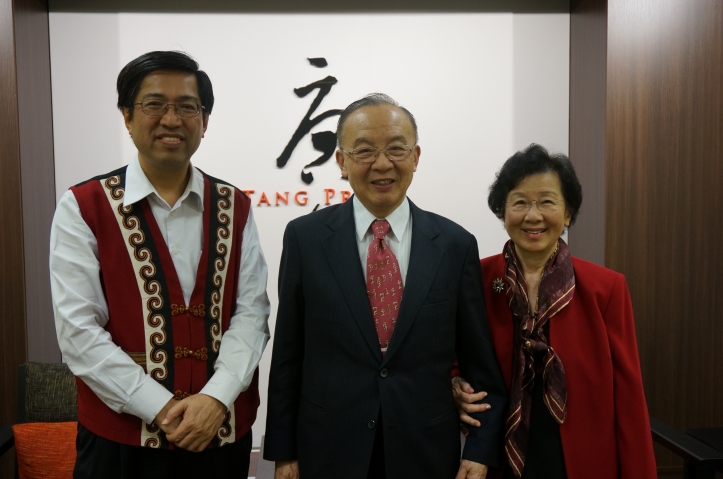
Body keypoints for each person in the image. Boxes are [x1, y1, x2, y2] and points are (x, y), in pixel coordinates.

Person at [49, 51, 270, 478]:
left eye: (187, 107)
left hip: (218, 436)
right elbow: (78, 332)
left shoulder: (234, 205)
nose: (172, 119)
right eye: (154, 104)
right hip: (119, 443)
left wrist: (215, 399)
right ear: (127, 116)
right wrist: (162, 408)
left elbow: (252, 312)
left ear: (204, 122)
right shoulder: (84, 205)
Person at [263, 93, 508, 479]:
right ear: (342, 161)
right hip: (328, 450)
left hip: (425, 451)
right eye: (364, 151)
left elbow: (481, 368)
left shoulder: (455, 245)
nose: (382, 164)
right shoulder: (305, 239)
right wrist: (283, 453)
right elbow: (288, 355)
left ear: (416, 157)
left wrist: (479, 452)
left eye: (396, 149)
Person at [453, 144, 657, 478]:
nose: (533, 216)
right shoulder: (477, 279)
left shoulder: (605, 289)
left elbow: (629, 399)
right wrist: (455, 385)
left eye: (547, 201)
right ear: (502, 211)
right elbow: (450, 355)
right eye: (519, 202)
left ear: (568, 213)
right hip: (497, 457)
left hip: (580, 460)